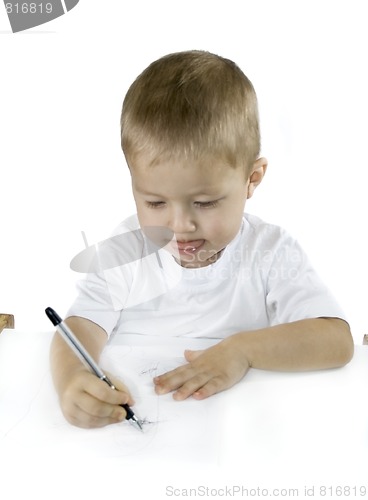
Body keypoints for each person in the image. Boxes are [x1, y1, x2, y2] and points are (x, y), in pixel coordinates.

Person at [50, 50, 354, 428]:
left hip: (241, 429)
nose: (180, 225)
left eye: (205, 202)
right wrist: (72, 379)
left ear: (251, 180)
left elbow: (337, 341)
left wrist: (242, 351)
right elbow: (80, 327)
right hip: (139, 428)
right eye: (155, 202)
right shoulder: (129, 247)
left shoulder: (270, 252)